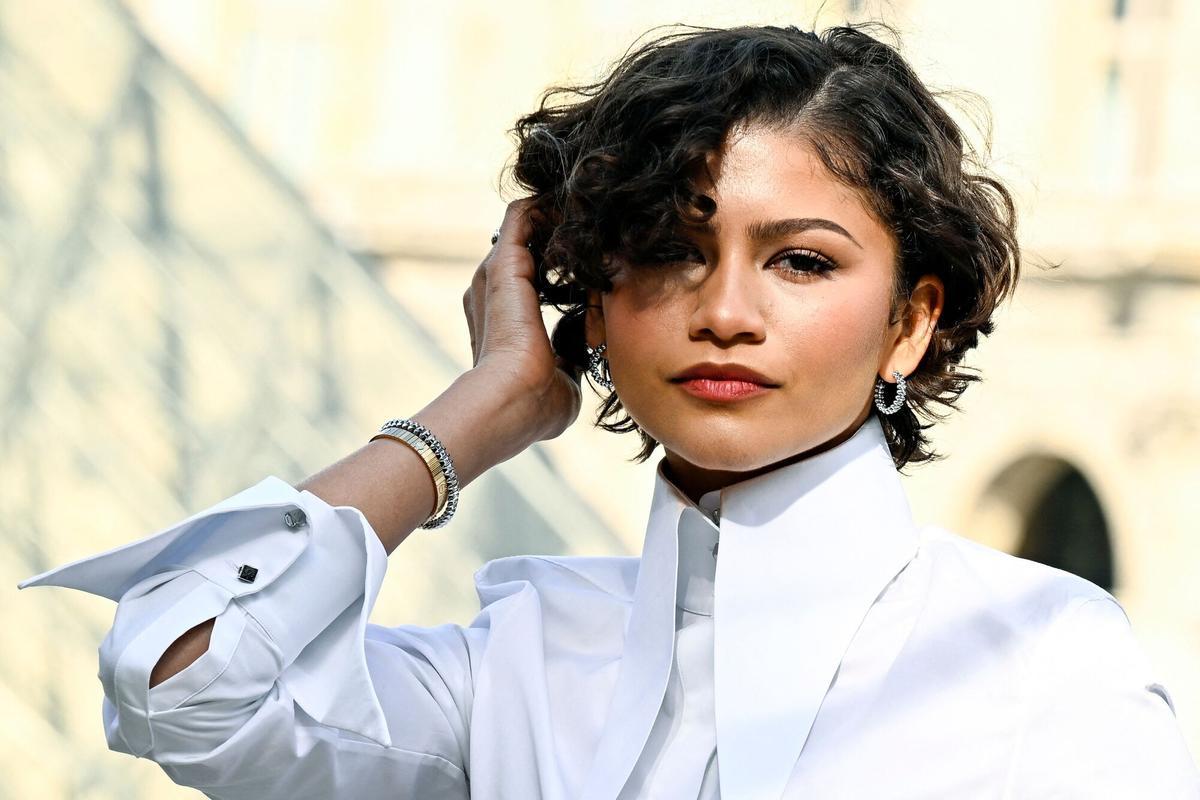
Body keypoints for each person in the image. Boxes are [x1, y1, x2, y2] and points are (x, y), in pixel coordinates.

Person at [17, 21, 1200, 800]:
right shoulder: (524, 656)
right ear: (589, 293)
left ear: (911, 318)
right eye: (669, 254)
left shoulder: (1040, 662)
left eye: (799, 262)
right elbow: (186, 678)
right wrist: (478, 411)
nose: (726, 310)